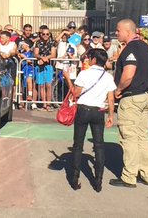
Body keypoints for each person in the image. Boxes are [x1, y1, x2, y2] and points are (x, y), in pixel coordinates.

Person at [61, 48, 115, 192]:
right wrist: (110, 115)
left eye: (90, 57)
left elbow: (75, 93)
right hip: (99, 111)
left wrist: (67, 78)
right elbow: (111, 98)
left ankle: (74, 178)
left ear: (94, 60)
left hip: (83, 110)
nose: (88, 59)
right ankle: (98, 181)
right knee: (99, 145)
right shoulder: (108, 77)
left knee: (78, 144)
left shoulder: (84, 73)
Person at [109, 19, 148, 189]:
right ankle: (147, 173)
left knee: (129, 137)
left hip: (132, 97)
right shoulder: (145, 47)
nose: (116, 33)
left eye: (118, 30)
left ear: (128, 31)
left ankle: (129, 176)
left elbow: (128, 74)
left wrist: (118, 89)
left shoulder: (131, 49)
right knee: (142, 136)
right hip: (146, 96)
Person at [33, 26, 58, 108]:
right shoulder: (38, 42)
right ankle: (44, 104)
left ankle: (48, 103)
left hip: (49, 65)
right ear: (41, 34)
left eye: (47, 34)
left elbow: (53, 54)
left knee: (48, 85)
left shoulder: (53, 42)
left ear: (49, 34)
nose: (45, 35)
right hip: (39, 65)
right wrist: (41, 58)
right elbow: (35, 53)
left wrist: (45, 58)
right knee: (41, 85)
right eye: (43, 34)